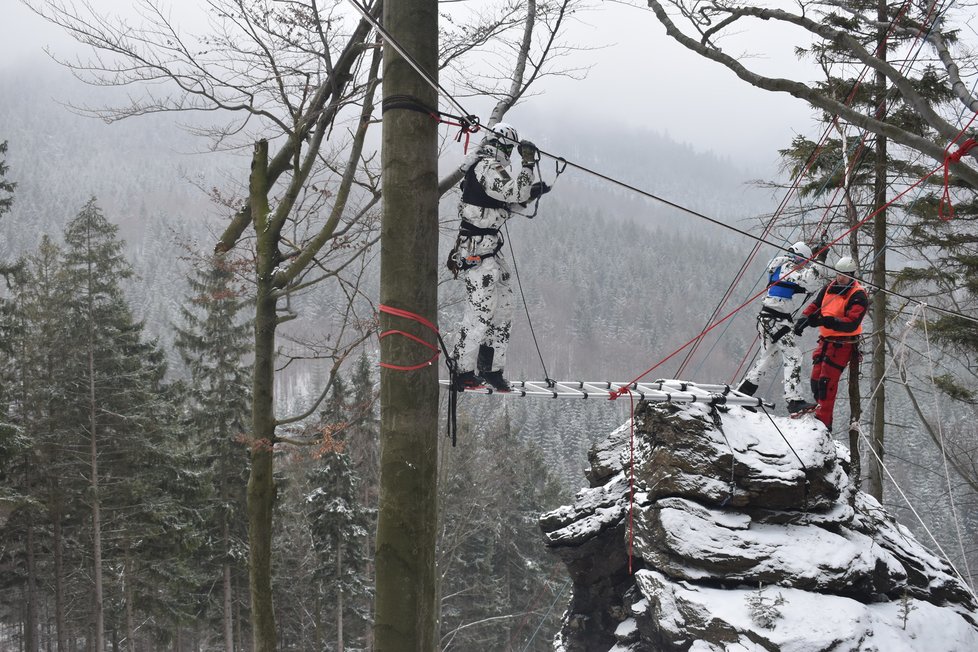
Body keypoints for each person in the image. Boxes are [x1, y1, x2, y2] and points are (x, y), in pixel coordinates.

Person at [448, 122, 550, 392]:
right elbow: (513, 192)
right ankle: (462, 370)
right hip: (476, 251)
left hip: (489, 249)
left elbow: (506, 204)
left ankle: (491, 369)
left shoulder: (490, 170)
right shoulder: (485, 167)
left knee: (503, 308)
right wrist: (527, 166)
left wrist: (530, 195)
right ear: (504, 146)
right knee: (480, 312)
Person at [736, 242, 822, 415]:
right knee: (794, 356)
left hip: (769, 319)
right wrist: (820, 260)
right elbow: (808, 278)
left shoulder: (781, 267)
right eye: (803, 261)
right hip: (775, 320)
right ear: (798, 256)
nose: (802, 265)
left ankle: (743, 392)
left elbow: (807, 284)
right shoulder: (786, 267)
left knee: (770, 358)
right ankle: (794, 400)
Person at [793, 255, 868, 431]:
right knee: (815, 381)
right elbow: (816, 305)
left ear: (852, 275)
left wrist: (827, 321)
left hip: (842, 344)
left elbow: (851, 322)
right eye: (837, 274)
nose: (839, 278)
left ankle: (824, 422)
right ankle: (819, 412)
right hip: (826, 340)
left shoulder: (858, 295)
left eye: (843, 275)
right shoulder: (829, 288)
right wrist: (804, 319)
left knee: (827, 382)